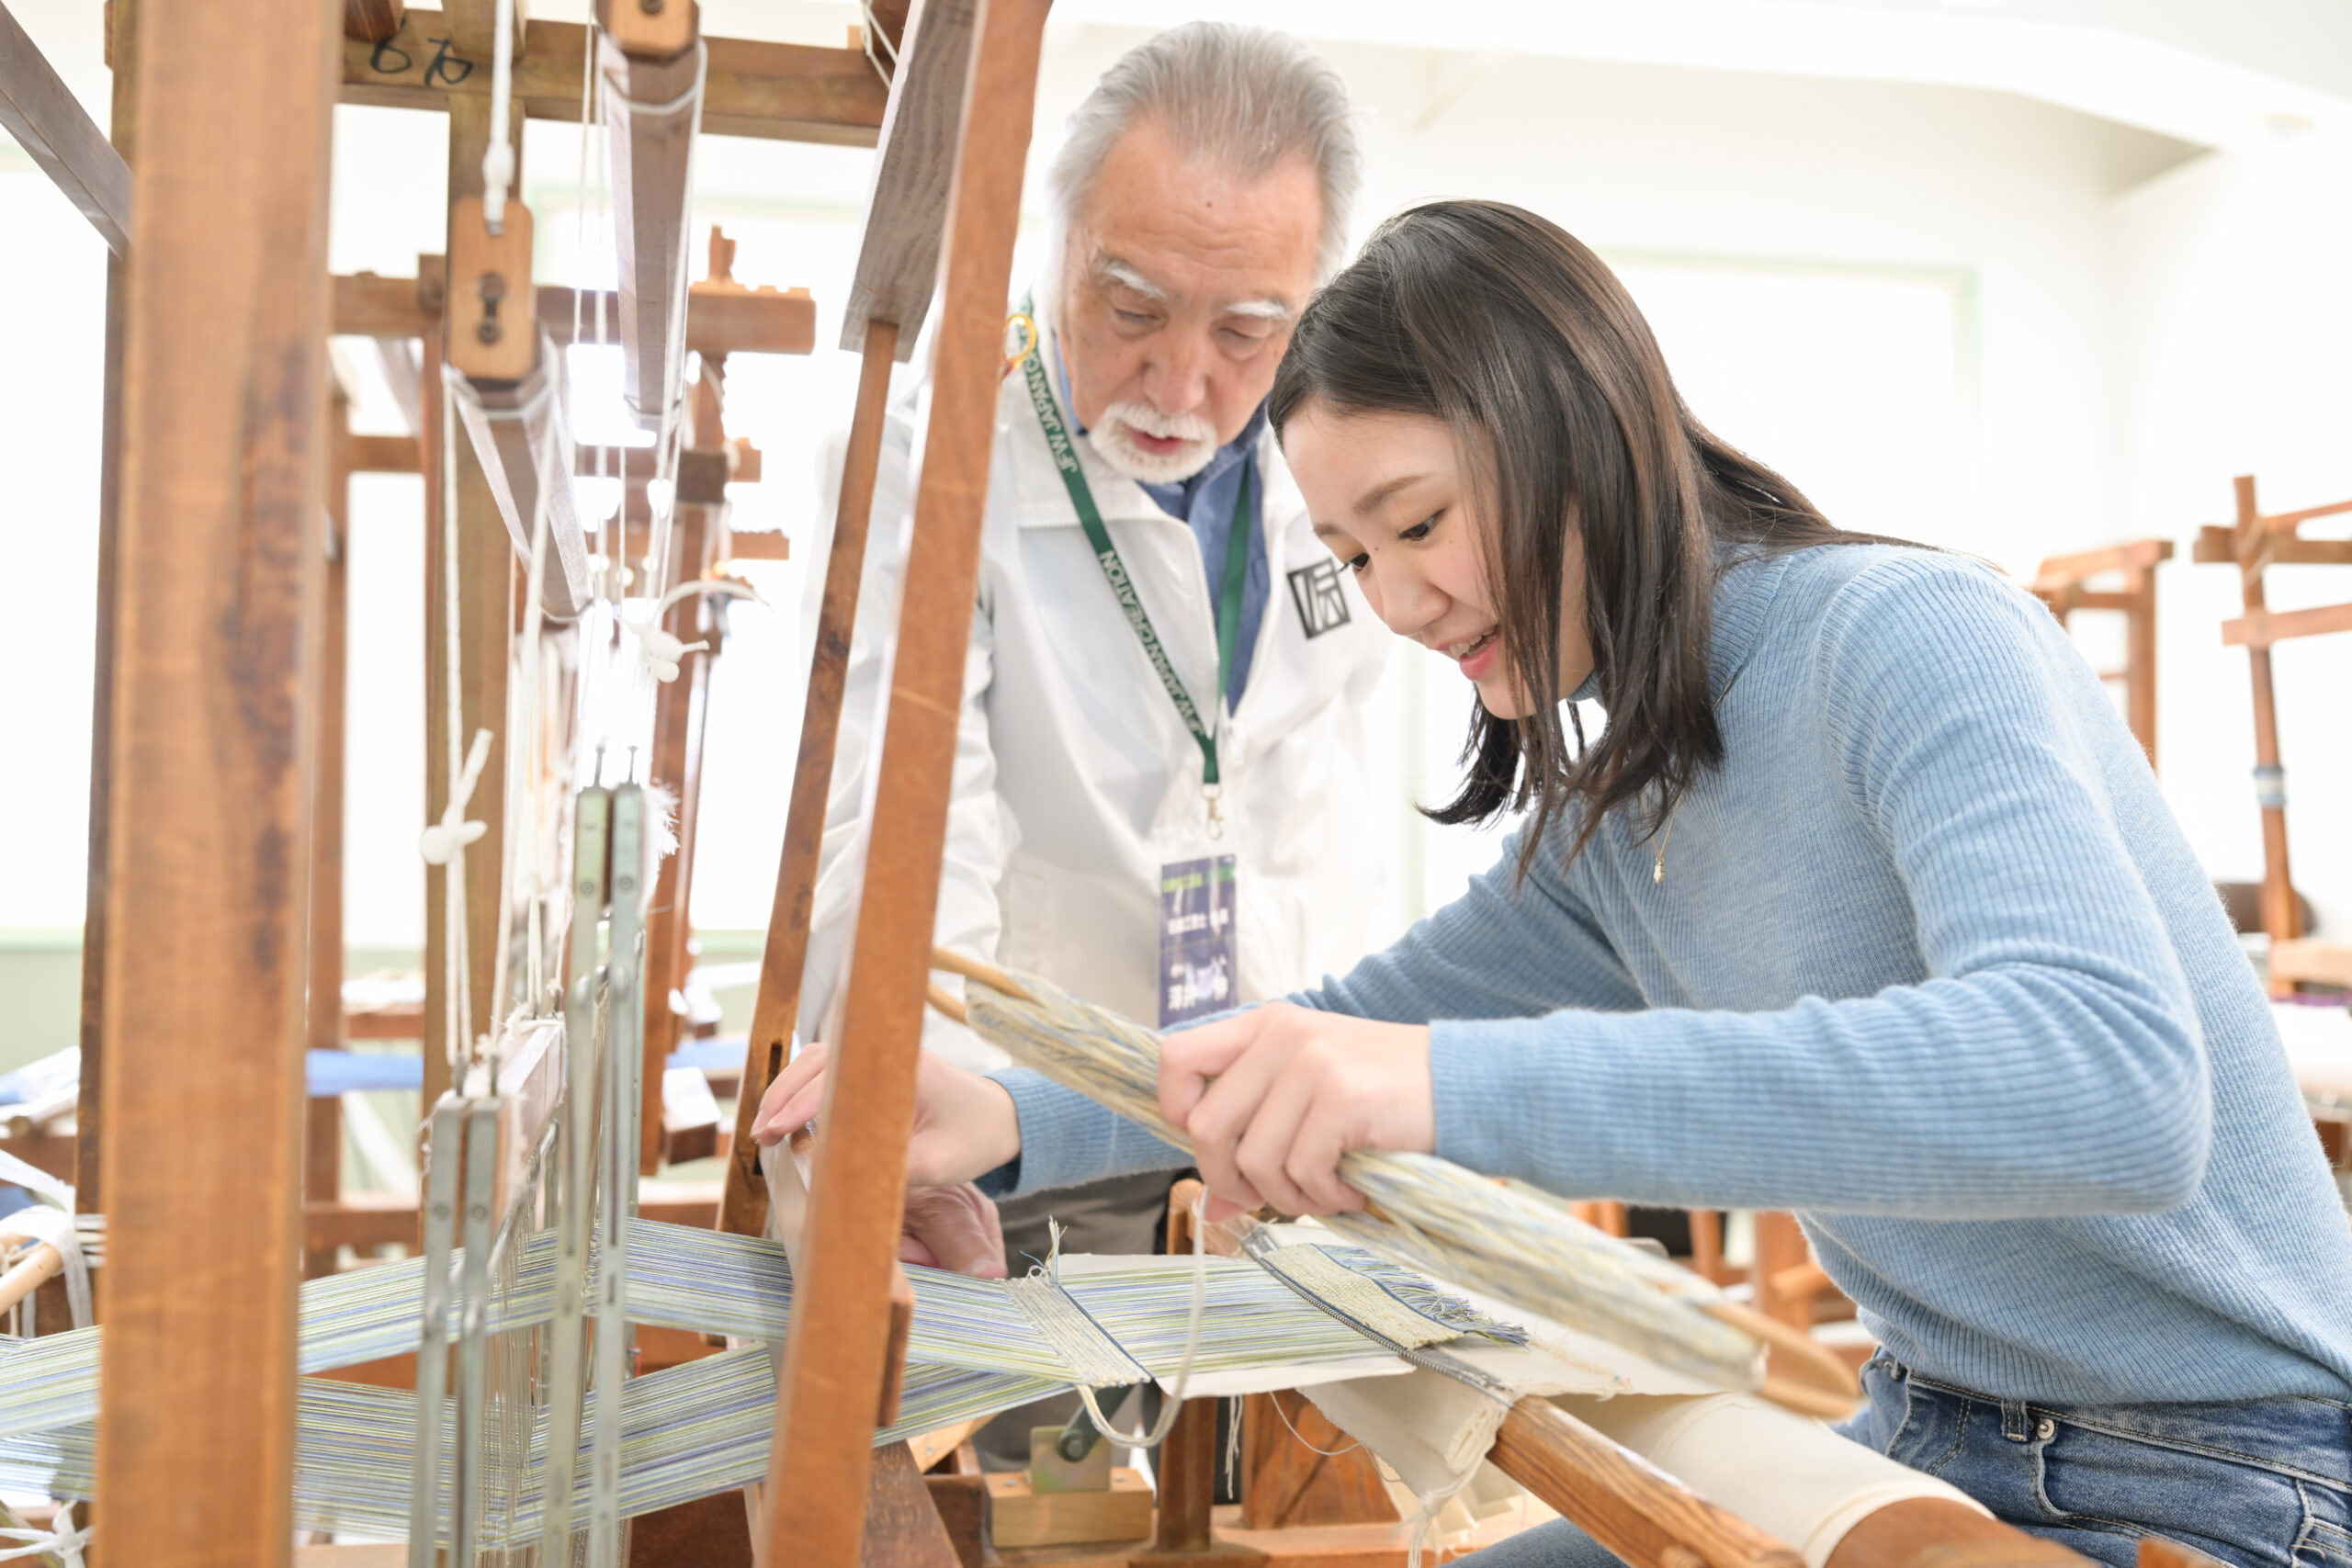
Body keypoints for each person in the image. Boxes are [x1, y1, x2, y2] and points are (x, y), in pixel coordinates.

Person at [764, 198, 2352, 1566]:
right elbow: (1328, 1037)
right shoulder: (1618, 820)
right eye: (1354, 556)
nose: (1399, 600)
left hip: (2231, 1477)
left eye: (1420, 522)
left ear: (1564, 421)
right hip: (1927, 1440)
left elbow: (2114, 1088)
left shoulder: (1909, 636)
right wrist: (1008, 1111)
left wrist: (1440, 1087)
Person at [792, 24, 1386, 1457]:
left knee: (1262, 1481)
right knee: (1013, 1475)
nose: (1181, 384)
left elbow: (1315, 817)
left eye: (1246, 329)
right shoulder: (943, 454)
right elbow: (910, 818)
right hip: (1010, 1134)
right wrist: (911, 1135)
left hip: (1265, 1143)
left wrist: (1315, 1105)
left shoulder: (1345, 473)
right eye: (1130, 305)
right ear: (1054, 241)